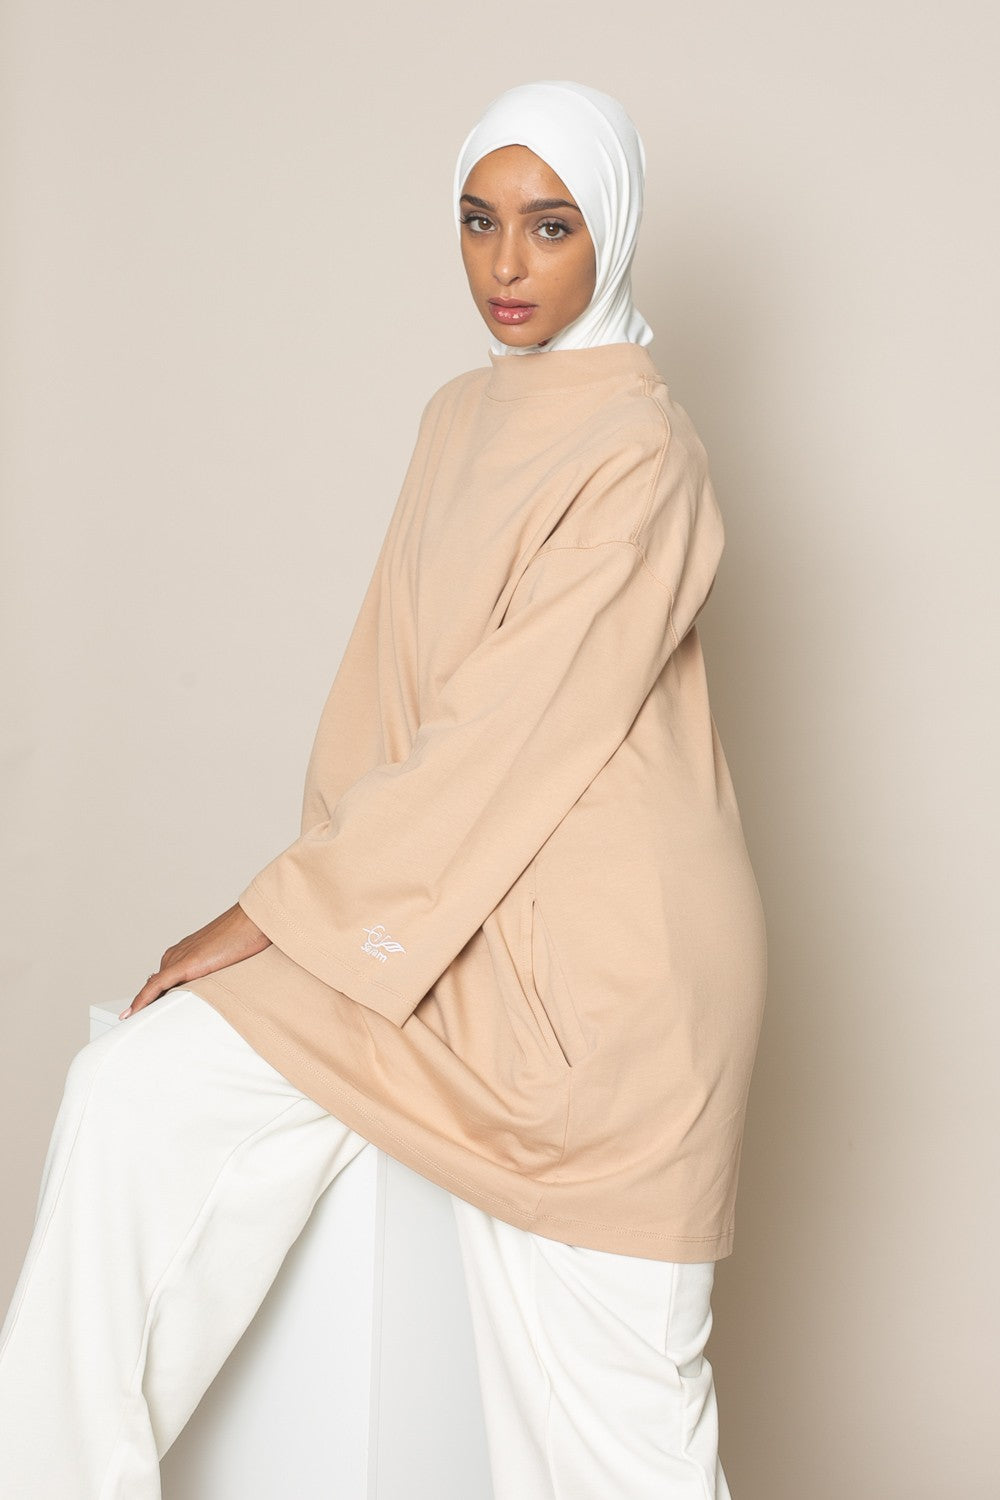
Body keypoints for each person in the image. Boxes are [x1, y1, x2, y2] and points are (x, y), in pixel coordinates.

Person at [0, 80, 767, 1498]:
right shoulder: (454, 415)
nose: (506, 264)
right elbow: (388, 700)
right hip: (424, 936)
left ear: (613, 233)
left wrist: (272, 910)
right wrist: (300, 925)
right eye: (479, 222)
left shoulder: (643, 449)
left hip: (597, 983)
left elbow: (505, 733)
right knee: (132, 1096)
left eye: (551, 226)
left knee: (608, 1447)